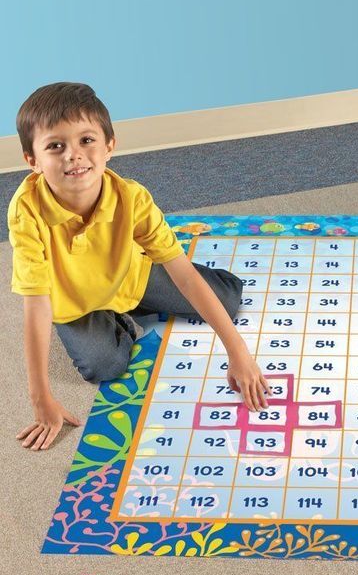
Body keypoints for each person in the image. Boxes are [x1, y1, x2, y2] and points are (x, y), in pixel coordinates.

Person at [8, 82, 270, 451]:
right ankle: (122, 319)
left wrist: (237, 350)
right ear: (32, 160)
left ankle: (134, 304)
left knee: (227, 300)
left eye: (86, 140)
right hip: (71, 304)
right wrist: (41, 399)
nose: (73, 155)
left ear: (109, 146)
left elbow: (182, 273)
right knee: (104, 367)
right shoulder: (26, 212)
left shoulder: (131, 197)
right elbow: (36, 303)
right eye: (55, 146)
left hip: (130, 277)